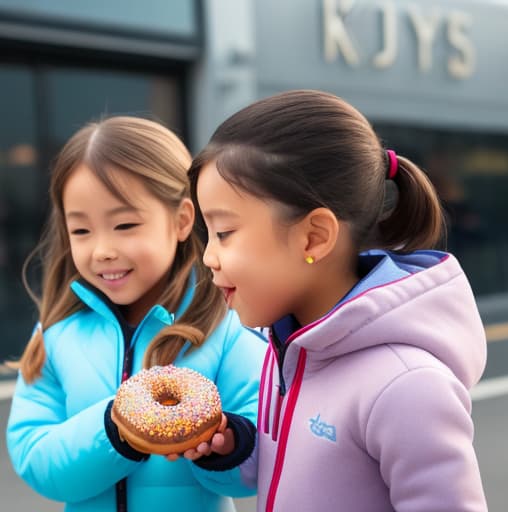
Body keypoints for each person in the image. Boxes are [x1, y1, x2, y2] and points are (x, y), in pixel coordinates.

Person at [187, 90, 488, 511]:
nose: (208, 257)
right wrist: (234, 446)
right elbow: (291, 470)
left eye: (224, 232)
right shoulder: (289, 347)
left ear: (314, 236)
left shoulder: (407, 385)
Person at [6, 116, 266, 512]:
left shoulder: (225, 325)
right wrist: (114, 428)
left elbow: (262, 460)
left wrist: (228, 446)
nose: (102, 250)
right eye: (81, 231)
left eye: (125, 225)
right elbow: (34, 457)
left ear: (181, 220)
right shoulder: (56, 333)